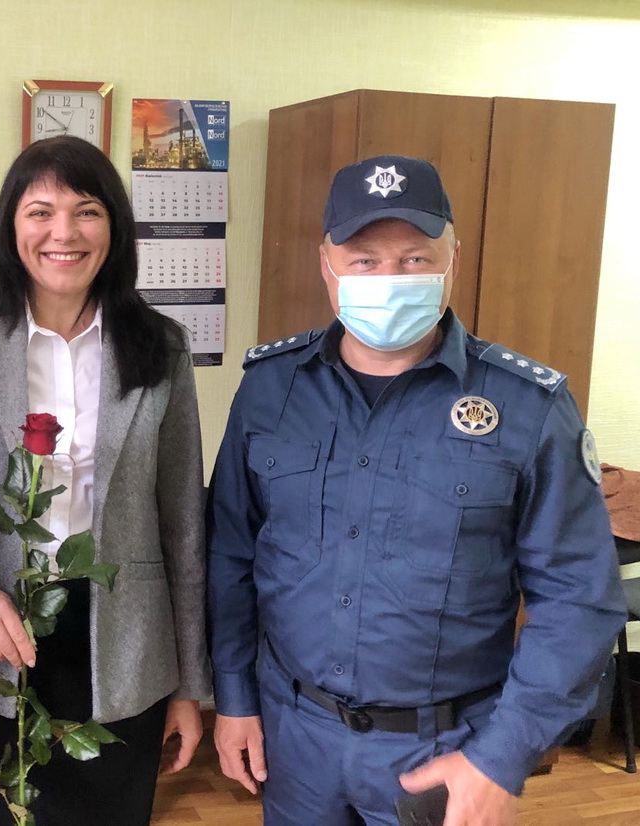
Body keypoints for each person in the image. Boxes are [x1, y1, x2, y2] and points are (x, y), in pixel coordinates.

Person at [207, 154, 626, 826]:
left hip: (446, 749)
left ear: (452, 260)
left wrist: (502, 756)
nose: (390, 280)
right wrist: (234, 697)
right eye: (365, 260)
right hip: (296, 737)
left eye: (414, 259)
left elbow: (578, 598)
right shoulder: (270, 389)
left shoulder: (528, 407)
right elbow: (230, 552)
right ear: (326, 265)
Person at [0, 135, 210, 825]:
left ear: (115, 228)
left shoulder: (160, 346)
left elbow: (183, 525)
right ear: (11, 227)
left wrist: (189, 685)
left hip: (124, 645)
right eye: (41, 212)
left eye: (87, 211)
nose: (64, 232)